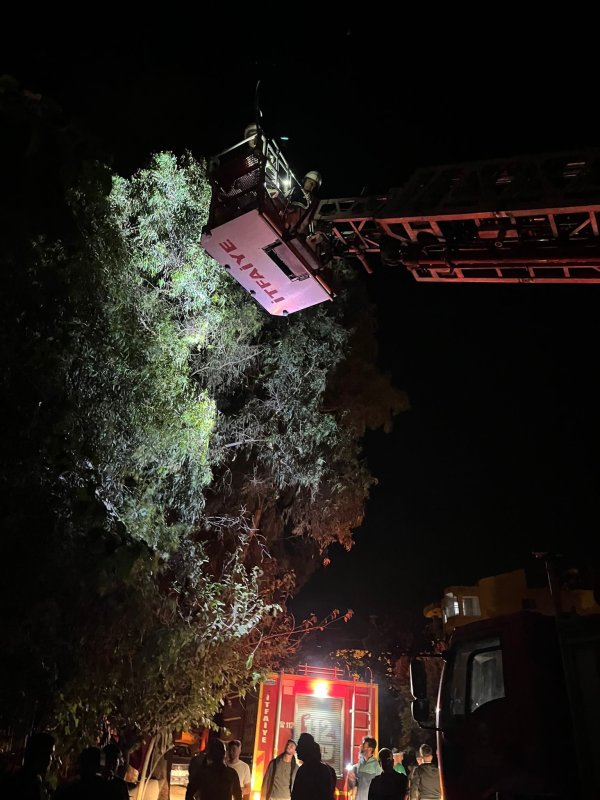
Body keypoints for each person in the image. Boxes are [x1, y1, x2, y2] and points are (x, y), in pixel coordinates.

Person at [1, 732, 55, 800]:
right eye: (50, 754)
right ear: (39, 754)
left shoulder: (36, 781)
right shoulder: (22, 786)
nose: (52, 759)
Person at [291, 732, 334, 800]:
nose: (296, 749)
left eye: (299, 745)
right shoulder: (324, 769)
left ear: (306, 748)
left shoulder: (305, 770)